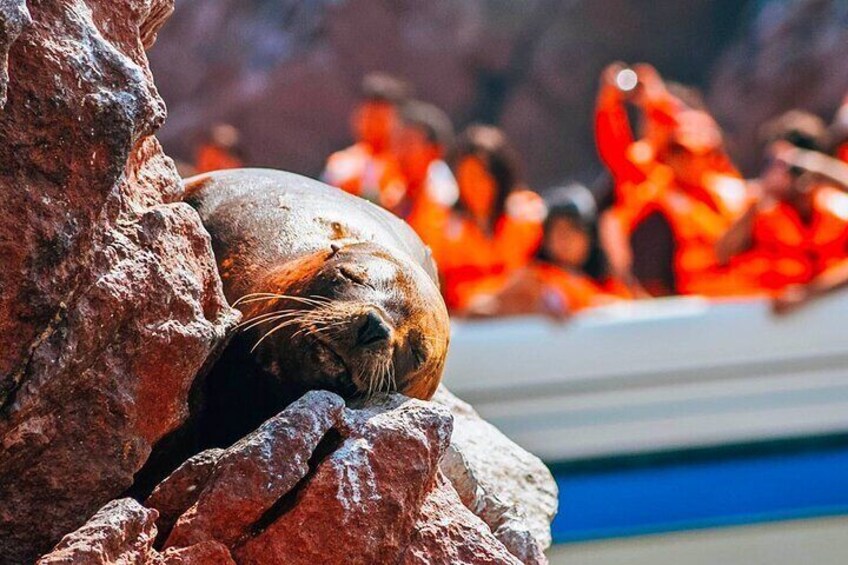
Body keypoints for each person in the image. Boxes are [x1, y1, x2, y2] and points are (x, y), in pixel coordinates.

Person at [594, 62, 755, 297]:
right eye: (676, 151)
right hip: (687, 295)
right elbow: (616, 153)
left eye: (693, 152)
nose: (683, 159)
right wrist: (610, 102)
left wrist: (658, 98)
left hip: (738, 290)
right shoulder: (658, 182)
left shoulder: (726, 184)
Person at [716, 118, 848, 312]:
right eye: (773, 163)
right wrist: (762, 193)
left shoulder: (839, 208)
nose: (782, 171)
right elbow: (722, 253)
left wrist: (822, 168)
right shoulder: (759, 210)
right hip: (769, 331)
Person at [463, 184, 627, 318]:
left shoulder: (609, 283)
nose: (565, 239)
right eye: (557, 231)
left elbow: (629, 314)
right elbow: (477, 307)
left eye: (573, 230)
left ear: (590, 236)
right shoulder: (534, 278)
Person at [434, 125, 546, 312]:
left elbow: (537, 281)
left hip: (518, 326)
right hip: (468, 329)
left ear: (499, 178)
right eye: (465, 177)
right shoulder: (442, 227)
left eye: (480, 176)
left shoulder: (526, 220)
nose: (472, 186)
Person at [322, 73, 409, 209]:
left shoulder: (412, 166)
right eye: (368, 117)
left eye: (380, 119)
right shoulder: (342, 162)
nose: (372, 125)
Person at [393, 100, 458, 243]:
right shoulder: (393, 191)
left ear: (435, 151)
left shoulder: (447, 201)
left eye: (408, 143)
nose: (400, 153)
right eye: (397, 143)